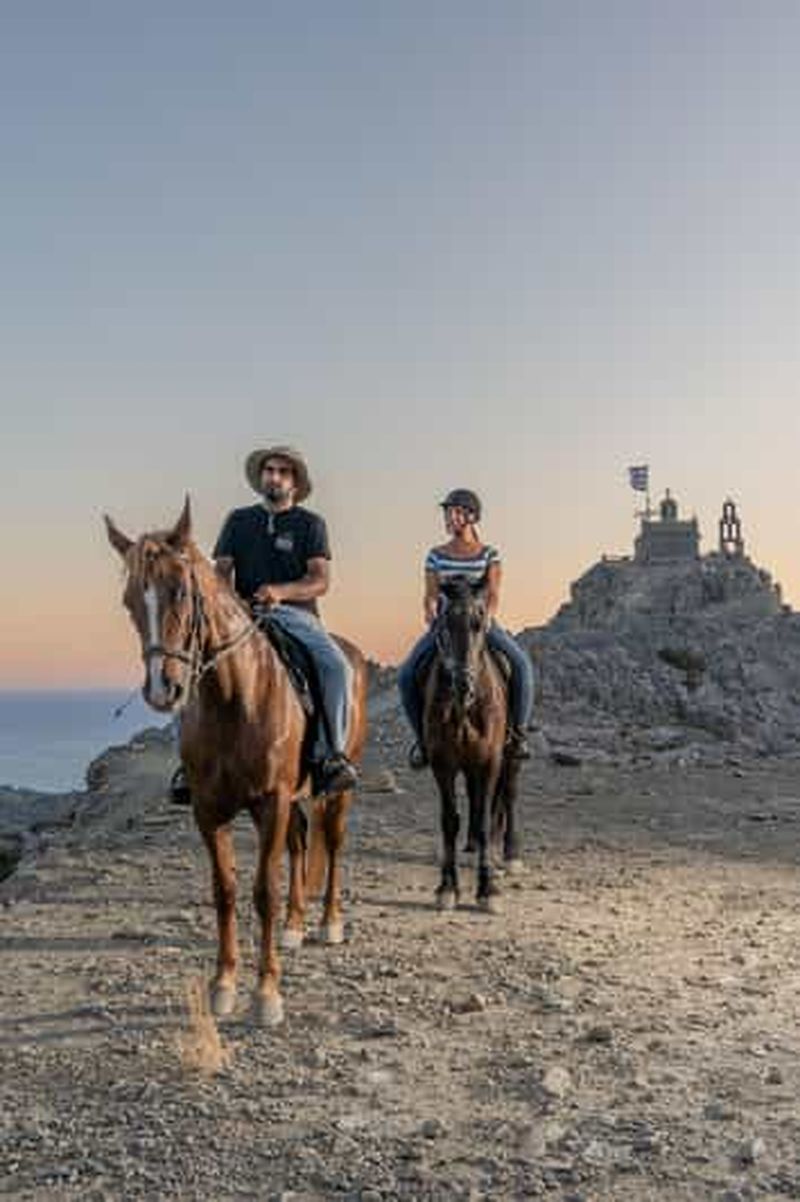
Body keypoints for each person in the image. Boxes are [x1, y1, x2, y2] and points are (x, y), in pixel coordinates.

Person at [171, 445, 357, 802]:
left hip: (296, 615)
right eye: (269, 470)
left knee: (338, 668)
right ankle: (188, 763)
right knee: (187, 667)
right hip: (241, 615)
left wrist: (281, 592)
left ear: (295, 482)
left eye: (282, 471)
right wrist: (232, 602)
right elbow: (221, 573)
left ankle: (330, 755)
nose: (273, 476)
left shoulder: (310, 525)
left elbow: (320, 580)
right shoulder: (238, 521)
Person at [397, 488, 534, 769]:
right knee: (406, 674)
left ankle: (517, 735)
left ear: (472, 516)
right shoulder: (436, 555)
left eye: (457, 512)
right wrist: (430, 608)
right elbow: (431, 592)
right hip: (446, 625)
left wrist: (488, 616)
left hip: (479, 624)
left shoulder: (489, 554)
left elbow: (494, 592)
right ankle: (423, 742)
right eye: (448, 512)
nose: (450, 517)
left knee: (522, 666)